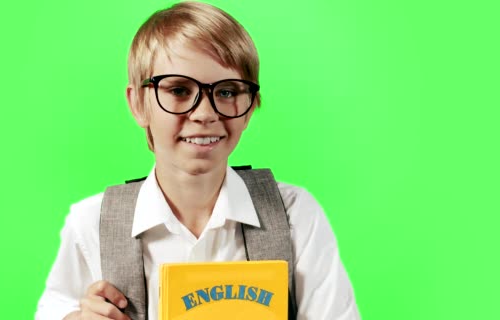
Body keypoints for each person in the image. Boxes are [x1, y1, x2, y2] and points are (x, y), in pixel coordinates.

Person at [36, 2, 360, 319]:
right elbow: (54, 307)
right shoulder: (91, 223)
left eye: (228, 92)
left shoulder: (296, 216)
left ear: (251, 106)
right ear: (138, 104)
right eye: (178, 90)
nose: (205, 114)